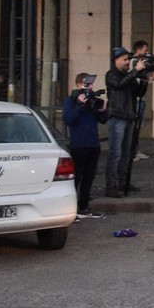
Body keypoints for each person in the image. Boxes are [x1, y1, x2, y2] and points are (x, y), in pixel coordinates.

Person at [104, 47, 150, 198]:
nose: (127, 62)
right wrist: (135, 71)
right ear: (116, 60)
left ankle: (123, 183)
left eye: (128, 59)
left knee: (126, 153)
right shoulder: (111, 74)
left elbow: (138, 93)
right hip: (117, 116)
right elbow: (119, 84)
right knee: (115, 153)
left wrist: (145, 80)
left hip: (128, 115)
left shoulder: (128, 75)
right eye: (124, 59)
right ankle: (111, 186)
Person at [62, 73, 105, 219]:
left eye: (91, 84)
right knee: (77, 177)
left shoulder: (92, 100)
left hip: (93, 143)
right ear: (79, 84)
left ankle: (84, 206)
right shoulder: (71, 100)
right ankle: (72, 208)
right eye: (87, 84)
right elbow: (68, 119)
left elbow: (103, 119)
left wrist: (102, 109)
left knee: (89, 177)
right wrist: (80, 105)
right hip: (78, 144)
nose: (90, 86)